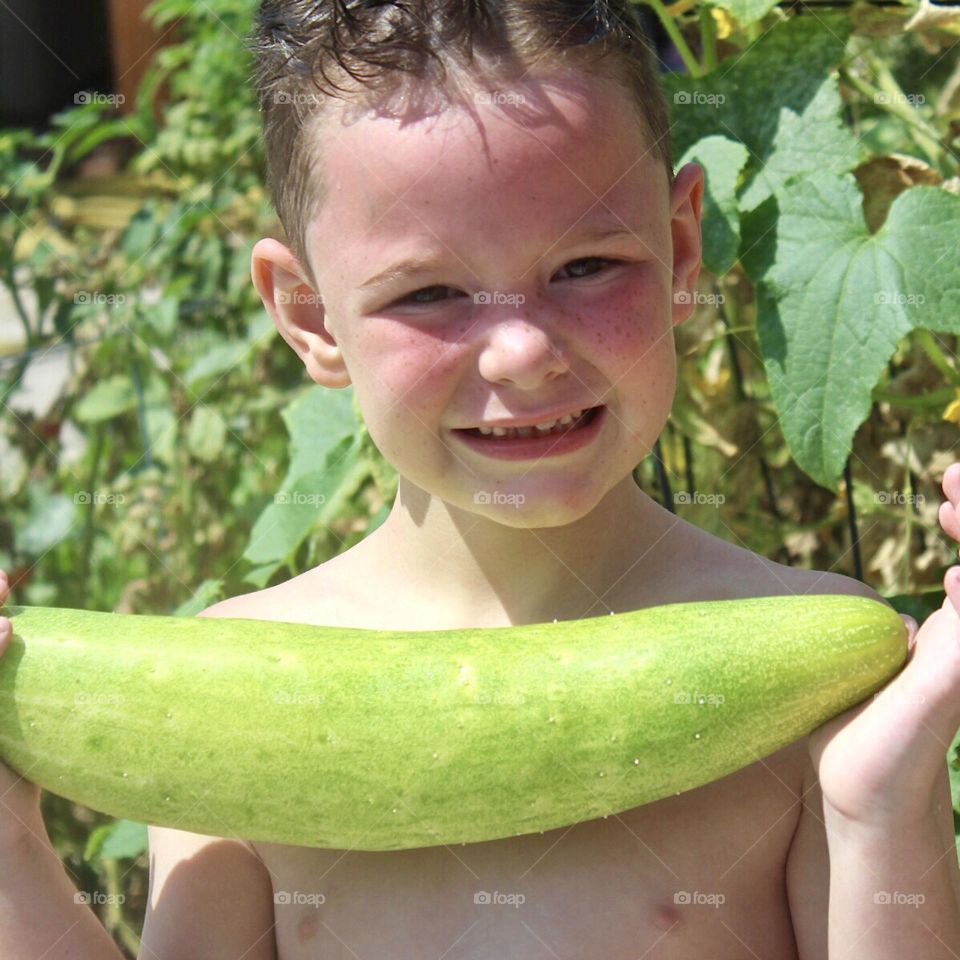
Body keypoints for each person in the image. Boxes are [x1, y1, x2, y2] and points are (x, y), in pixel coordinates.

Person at [3, 1, 960, 956]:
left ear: (680, 249)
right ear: (309, 315)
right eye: (429, 293)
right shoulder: (224, 686)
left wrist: (882, 811)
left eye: (587, 265)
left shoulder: (824, 685)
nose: (520, 351)